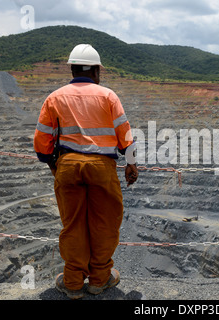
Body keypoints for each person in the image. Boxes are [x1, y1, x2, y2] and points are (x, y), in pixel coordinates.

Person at [33, 44, 138, 299]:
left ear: (72, 68)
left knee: (73, 225)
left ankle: (72, 283)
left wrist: (52, 165)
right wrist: (131, 164)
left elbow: (42, 141)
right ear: (96, 71)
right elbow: (126, 135)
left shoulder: (55, 97)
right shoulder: (108, 96)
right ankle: (99, 280)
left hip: (67, 167)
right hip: (102, 168)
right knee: (104, 224)